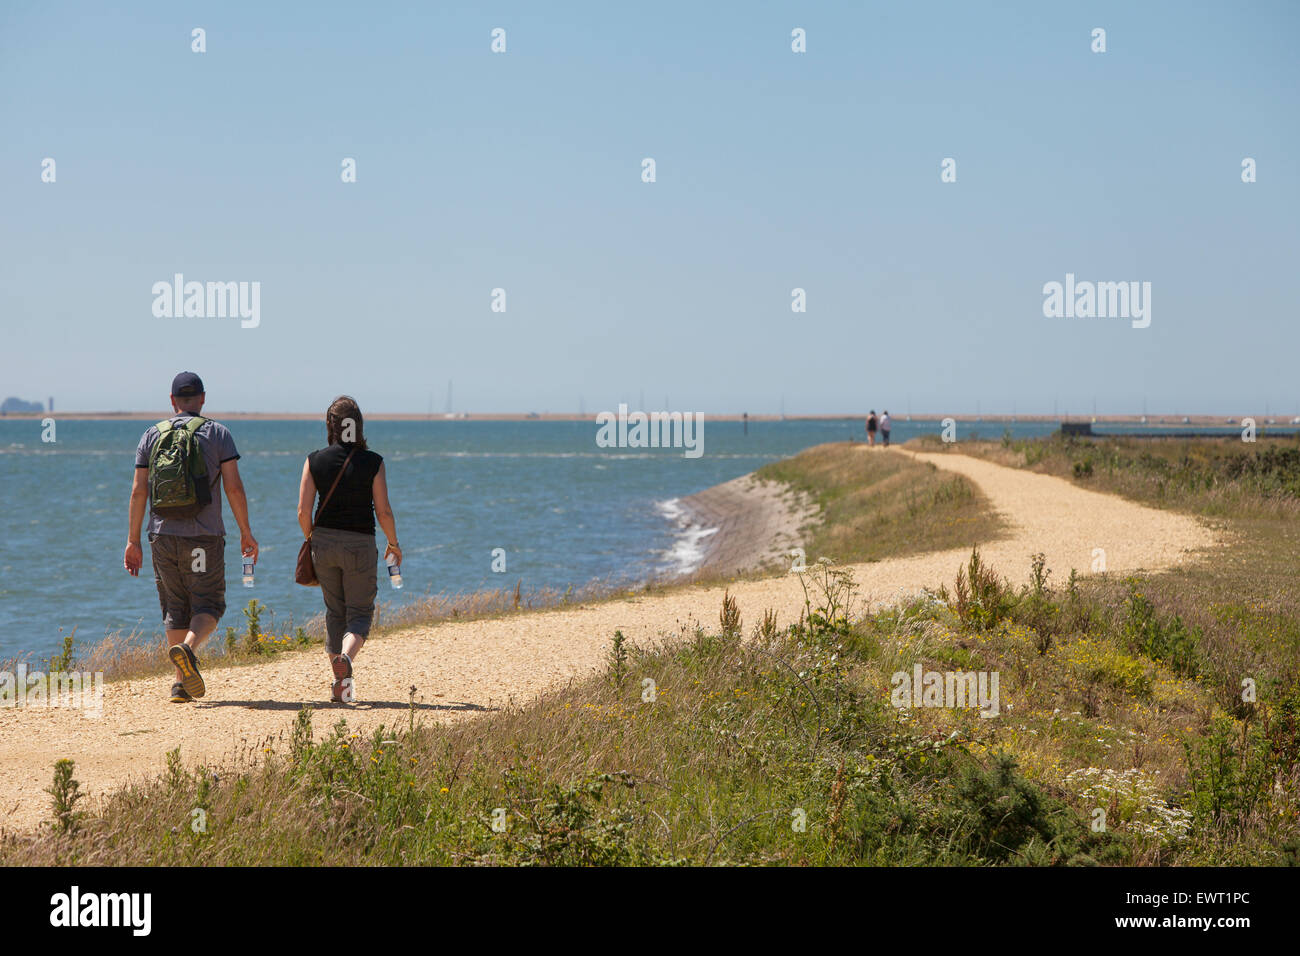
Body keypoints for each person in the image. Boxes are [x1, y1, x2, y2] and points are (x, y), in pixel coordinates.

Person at [125, 372, 258, 702]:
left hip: (161, 535)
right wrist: (245, 532)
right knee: (209, 603)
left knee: (175, 607)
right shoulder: (218, 434)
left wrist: (133, 540)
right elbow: (234, 487)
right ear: (202, 399)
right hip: (203, 536)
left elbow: (138, 491)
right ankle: (187, 648)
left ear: (172, 401)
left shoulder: (151, 435)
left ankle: (180, 685)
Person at [297, 396, 400, 703]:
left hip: (323, 543)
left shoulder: (314, 459)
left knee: (335, 611)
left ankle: (342, 689)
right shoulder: (373, 462)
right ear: (359, 425)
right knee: (359, 613)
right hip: (360, 544)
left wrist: (311, 538)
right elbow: (383, 512)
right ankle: (347, 658)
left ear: (329, 426)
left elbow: (303, 512)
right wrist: (393, 543)